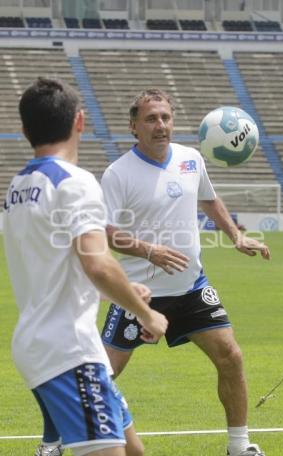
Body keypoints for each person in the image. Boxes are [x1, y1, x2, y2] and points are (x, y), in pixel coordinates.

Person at [100, 88, 270, 456]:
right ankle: (55, 440)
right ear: (133, 127)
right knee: (99, 376)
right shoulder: (118, 174)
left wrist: (236, 236)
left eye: (165, 117)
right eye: (151, 119)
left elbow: (208, 199)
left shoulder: (192, 158)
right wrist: (149, 250)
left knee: (231, 356)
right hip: (139, 294)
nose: (160, 125)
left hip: (192, 287)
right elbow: (105, 232)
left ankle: (239, 447)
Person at [2, 78, 168, 456]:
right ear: (80, 121)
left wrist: (126, 287)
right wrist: (146, 313)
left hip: (48, 341)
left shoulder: (20, 185)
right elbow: (96, 263)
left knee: (133, 450)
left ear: (25, 129)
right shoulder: (75, 183)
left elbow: (55, 266)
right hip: (67, 348)